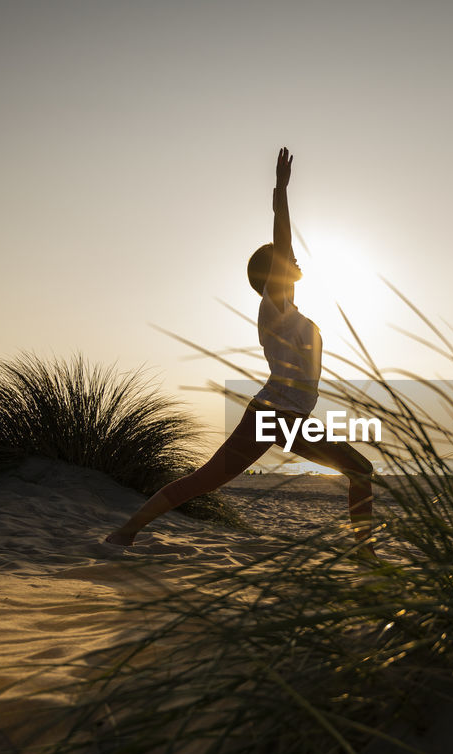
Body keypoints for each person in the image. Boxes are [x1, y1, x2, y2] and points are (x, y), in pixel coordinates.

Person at [105, 147, 375, 550]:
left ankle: (365, 553)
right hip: (271, 415)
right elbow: (282, 237)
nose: (294, 258)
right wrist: (281, 190)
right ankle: (125, 532)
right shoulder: (275, 306)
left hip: (292, 418)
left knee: (360, 470)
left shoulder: (293, 314)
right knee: (205, 481)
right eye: (285, 259)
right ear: (274, 273)